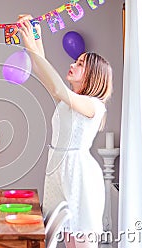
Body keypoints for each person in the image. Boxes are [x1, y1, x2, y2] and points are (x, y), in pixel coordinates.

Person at [17, 14, 113, 248]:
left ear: (93, 76)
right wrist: (31, 31)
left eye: (80, 64)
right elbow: (43, 71)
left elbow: (57, 87)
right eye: (76, 61)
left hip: (79, 173)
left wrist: (31, 40)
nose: (72, 64)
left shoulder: (94, 106)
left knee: (82, 243)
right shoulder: (66, 102)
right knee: (60, 238)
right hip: (58, 169)